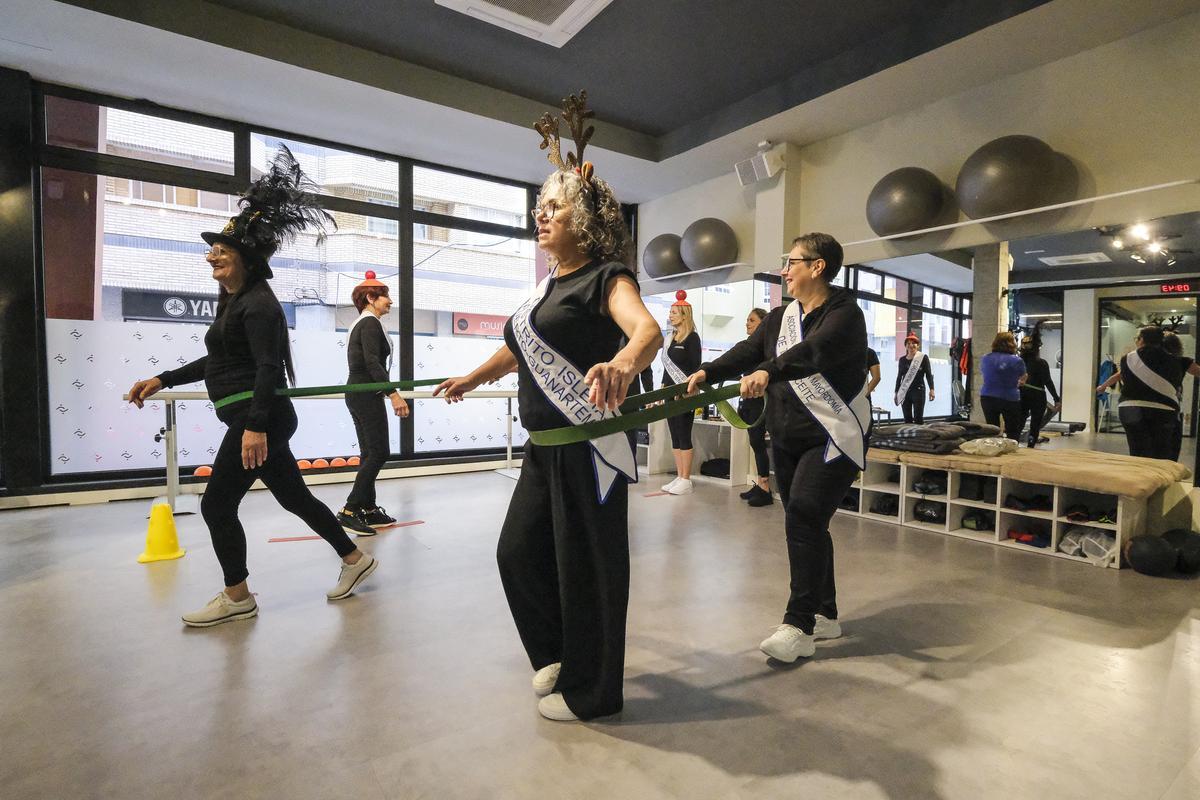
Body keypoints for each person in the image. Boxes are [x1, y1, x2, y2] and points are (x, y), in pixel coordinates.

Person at [434, 93, 660, 722]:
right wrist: (474, 377)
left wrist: (621, 364)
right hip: (544, 449)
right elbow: (519, 353)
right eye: (539, 208)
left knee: (589, 572)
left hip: (588, 447)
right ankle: (561, 656)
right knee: (518, 554)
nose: (542, 216)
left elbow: (646, 333)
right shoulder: (545, 288)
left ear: (582, 219)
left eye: (554, 208)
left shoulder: (606, 277)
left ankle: (594, 694)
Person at [127, 147, 377, 627]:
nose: (211, 256)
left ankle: (237, 596)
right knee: (294, 497)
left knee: (217, 503)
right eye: (212, 250)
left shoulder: (258, 305)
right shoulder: (234, 303)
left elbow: (267, 368)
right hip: (254, 416)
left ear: (244, 257)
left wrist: (256, 427)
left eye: (220, 251)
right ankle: (354, 558)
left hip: (255, 416)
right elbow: (217, 360)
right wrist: (162, 379)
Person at [686, 232, 870, 663]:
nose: (785, 270)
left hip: (833, 436)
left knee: (804, 513)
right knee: (806, 521)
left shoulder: (845, 314)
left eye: (792, 262)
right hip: (786, 437)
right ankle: (826, 614)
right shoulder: (779, 318)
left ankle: (798, 625)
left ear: (817, 266)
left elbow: (813, 352)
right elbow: (747, 351)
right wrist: (708, 372)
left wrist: (769, 372)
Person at [336, 271, 410, 535]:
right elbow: (372, 362)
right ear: (371, 297)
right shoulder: (369, 323)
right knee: (379, 452)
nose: (390, 301)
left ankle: (368, 508)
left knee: (369, 453)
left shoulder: (363, 322)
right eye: (386, 296)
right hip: (366, 392)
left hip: (358, 392)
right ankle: (350, 509)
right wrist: (393, 394)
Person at [1098, 326, 1199, 460]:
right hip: (1163, 409)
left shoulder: (1128, 359)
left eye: (1137, 339)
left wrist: (1102, 386)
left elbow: (1119, 375)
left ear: (1142, 340)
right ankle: (1160, 477)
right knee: (1163, 452)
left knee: (1138, 451)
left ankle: (1140, 476)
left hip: (1129, 408)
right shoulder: (1179, 360)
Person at [660, 290, 702, 495]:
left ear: (685, 315)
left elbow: (695, 367)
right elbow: (666, 370)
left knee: (684, 434)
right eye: (670, 311)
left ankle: (686, 478)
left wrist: (687, 390)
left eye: (674, 312)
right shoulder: (670, 339)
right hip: (669, 393)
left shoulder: (692, 338)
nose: (670, 315)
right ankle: (679, 476)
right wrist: (661, 390)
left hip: (684, 394)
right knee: (674, 435)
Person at [738, 308, 774, 507]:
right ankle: (760, 484)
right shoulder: (748, 350)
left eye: (751, 320)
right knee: (755, 443)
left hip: (762, 405)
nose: (747, 323)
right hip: (750, 404)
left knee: (759, 444)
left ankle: (765, 488)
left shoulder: (766, 353)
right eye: (747, 320)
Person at [980, 331, 1027, 440]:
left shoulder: (985, 358)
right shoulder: (1017, 360)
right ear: (1012, 343)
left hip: (987, 397)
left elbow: (986, 373)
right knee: (1013, 430)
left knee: (992, 429)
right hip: (1009, 398)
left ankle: (993, 449)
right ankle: (1011, 452)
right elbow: (1023, 377)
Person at [1018, 333, 1061, 448]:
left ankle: (1015, 443)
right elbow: (1048, 381)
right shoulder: (1041, 363)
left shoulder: (1017, 361)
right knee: (1035, 424)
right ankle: (1031, 445)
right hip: (1038, 395)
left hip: (1021, 394)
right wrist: (1056, 398)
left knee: (1020, 422)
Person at [894, 332, 934, 423]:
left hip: (919, 391)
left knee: (918, 418)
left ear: (918, 345)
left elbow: (928, 374)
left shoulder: (923, 358)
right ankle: (908, 437)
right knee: (907, 418)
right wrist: (896, 392)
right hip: (905, 391)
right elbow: (899, 377)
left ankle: (920, 437)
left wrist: (932, 389)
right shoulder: (902, 360)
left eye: (914, 343)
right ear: (905, 346)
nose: (911, 345)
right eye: (908, 343)